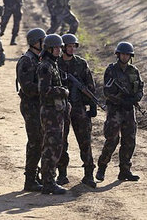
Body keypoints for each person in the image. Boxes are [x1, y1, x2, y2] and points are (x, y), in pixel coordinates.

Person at [96, 42, 143, 183]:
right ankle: (102, 167)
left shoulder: (134, 71)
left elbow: (140, 88)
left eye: (127, 54)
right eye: (122, 54)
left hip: (129, 110)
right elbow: (107, 91)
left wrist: (135, 98)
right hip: (115, 110)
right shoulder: (111, 70)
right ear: (118, 55)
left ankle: (125, 170)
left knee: (129, 140)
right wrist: (121, 100)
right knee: (112, 140)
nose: (125, 56)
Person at [56, 34, 97, 189]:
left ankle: (88, 174)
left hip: (79, 108)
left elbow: (89, 85)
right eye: (69, 46)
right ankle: (62, 174)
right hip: (61, 108)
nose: (72, 48)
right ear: (63, 47)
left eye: (74, 46)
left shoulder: (81, 63)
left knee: (85, 141)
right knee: (61, 141)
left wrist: (92, 105)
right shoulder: (56, 64)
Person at [37, 33, 70, 195]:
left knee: (56, 145)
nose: (58, 50)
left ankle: (49, 180)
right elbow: (44, 91)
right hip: (50, 113)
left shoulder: (53, 64)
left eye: (59, 47)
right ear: (49, 49)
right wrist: (62, 91)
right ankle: (48, 182)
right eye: (55, 48)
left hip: (55, 112)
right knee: (51, 147)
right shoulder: (45, 66)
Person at [16, 28, 47, 192]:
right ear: (36, 42)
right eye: (43, 40)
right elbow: (27, 87)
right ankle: (30, 179)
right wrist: (46, 88)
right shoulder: (27, 61)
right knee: (35, 142)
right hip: (31, 106)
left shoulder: (39, 59)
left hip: (39, 106)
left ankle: (36, 176)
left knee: (41, 141)